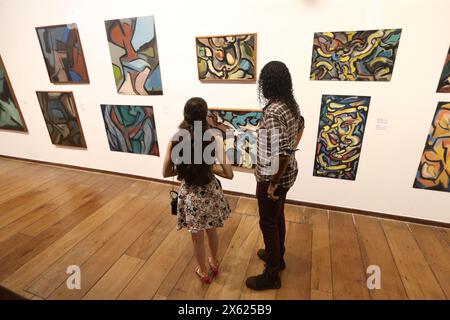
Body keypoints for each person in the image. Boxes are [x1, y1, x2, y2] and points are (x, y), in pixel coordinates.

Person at [246, 61, 305, 290]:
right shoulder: (290, 105)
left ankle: (272, 274)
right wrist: (290, 151)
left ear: (266, 83)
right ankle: (277, 256)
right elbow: (301, 127)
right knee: (277, 215)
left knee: (268, 222)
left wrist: (272, 184)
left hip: (274, 177)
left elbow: (279, 153)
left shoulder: (273, 111)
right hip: (288, 174)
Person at [162, 97, 234, 284]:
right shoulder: (214, 138)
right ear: (205, 116)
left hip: (191, 196)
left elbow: (165, 172)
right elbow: (229, 173)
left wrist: (187, 168)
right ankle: (215, 262)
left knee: (197, 238)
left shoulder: (176, 139)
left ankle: (202, 271)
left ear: (185, 114)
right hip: (210, 193)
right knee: (211, 230)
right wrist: (208, 168)